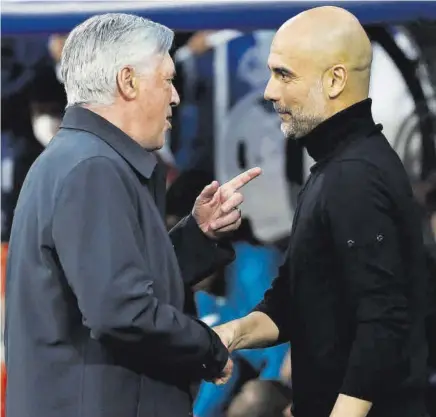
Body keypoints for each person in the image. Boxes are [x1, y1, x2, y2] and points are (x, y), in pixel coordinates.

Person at [4, 14, 262, 417]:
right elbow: (120, 311)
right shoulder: (93, 168)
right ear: (128, 82)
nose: (176, 96)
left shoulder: (81, 159)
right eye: (167, 79)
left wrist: (196, 236)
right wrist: (207, 346)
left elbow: (118, 281)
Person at [214, 6, 429, 417]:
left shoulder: (354, 177)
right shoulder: (336, 169)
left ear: (334, 80)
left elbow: (383, 321)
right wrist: (231, 334)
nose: (269, 91)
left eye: (284, 74)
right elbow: (295, 301)